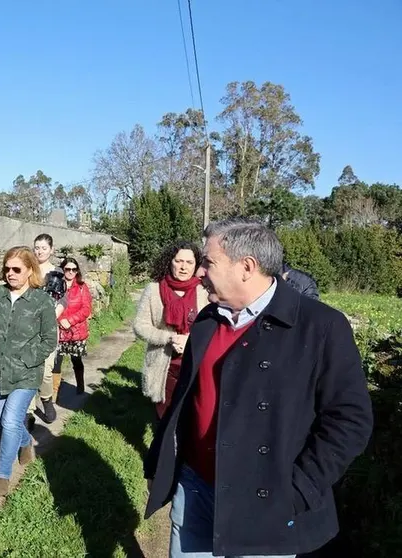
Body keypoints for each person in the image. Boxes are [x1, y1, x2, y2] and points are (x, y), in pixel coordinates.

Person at [144, 218, 373, 558]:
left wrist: (297, 490)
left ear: (246, 267)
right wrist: (161, 465)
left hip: (266, 504)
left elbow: (350, 421)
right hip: (196, 489)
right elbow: (186, 402)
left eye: (208, 262)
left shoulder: (321, 327)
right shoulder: (208, 320)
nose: (200, 272)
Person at [0, 246, 57, 497]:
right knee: (6, 421)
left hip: (26, 374)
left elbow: (49, 340)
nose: (10, 274)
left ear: (30, 271)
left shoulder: (41, 301)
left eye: (16, 269)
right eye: (7, 269)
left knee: (11, 421)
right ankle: (25, 442)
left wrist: (27, 359)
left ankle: (2, 474)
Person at [133, 240, 209, 420]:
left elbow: (211, 327)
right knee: (163, 416)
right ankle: (162, 447)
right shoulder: (153, 290)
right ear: (170, 262)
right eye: (178, 261)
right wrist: (169, 338)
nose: (183, 267)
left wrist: (190, 339)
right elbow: (140, 325)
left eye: (189, 262)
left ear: (196, 265)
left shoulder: (204, 291)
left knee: (192, 417)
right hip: (163, 365)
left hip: (196, 364)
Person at [33, 233, 64, 423]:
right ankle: (27, 413)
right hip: (27, 328)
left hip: (48, 328)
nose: (39, 251)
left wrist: (50, 317)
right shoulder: (28, 269)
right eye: (37, 247)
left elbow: (64, 299)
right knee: (26, 369)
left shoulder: (57, 273)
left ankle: (46, 400)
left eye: (43, 248)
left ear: (51, 250)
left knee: (45, 370)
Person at [52, 257, 93, 396]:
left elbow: (86, 309)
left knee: (76, 360)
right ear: (62, 270)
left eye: (74, 269)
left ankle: (80, 386)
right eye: (67, 269)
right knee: (56, 363)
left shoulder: (82, 287)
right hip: (59, 331)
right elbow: (51, 306)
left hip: (76, 331)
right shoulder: (56, 286)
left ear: (77, 271)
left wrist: (70, 320)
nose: (70, 272)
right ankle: (54, 394)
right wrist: (60, 320)